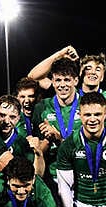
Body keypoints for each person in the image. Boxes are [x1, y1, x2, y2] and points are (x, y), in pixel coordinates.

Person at [31, 57, 82, 194]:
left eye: (67, 79)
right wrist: (44, 142)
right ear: (52, 81)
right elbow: (40, 148)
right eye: (58, 80)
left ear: (75, 81)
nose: (62, 85)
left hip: (81, 178)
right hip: (52, 179)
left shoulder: (86, 106)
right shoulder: (42, 107)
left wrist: (58, 137)